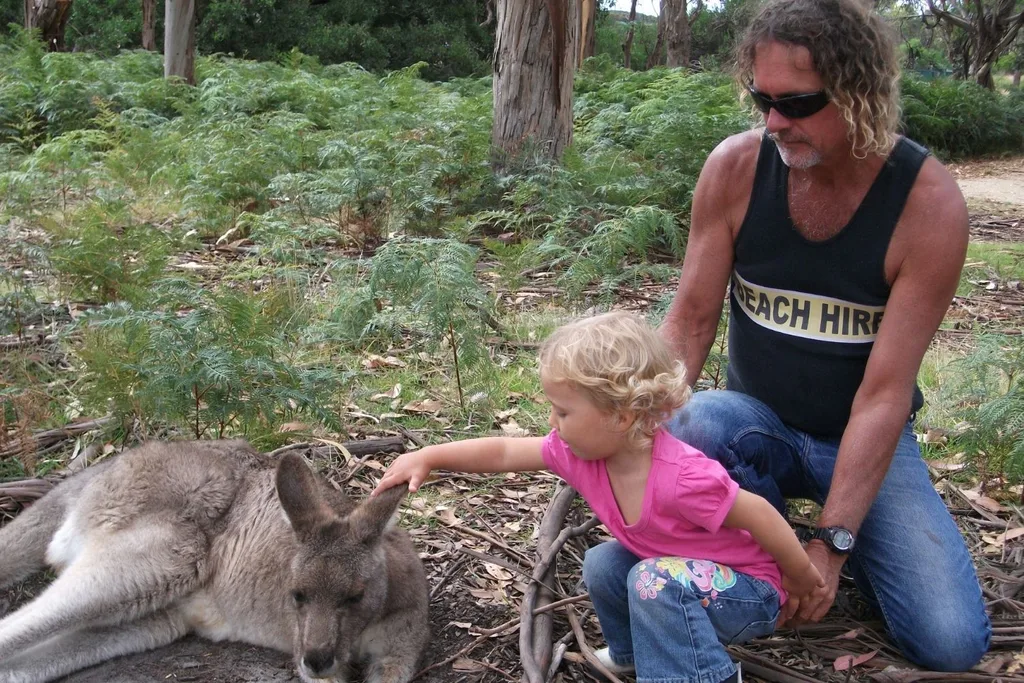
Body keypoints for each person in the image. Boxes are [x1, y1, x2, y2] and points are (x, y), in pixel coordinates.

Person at [658, 0, 991, 672]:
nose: (774, 121)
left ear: (858, 92)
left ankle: (844, 533)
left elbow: (883, 393)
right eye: (763, 99)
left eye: (799, 103)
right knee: (690, 421)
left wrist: (834, 543)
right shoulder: (735, 170)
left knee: (949, 640)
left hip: (861, 436)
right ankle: (764, 538)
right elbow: (690, 323)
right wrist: (633, 434)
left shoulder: (925, 205)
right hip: (756, 427)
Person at [374, 311, 826, 683]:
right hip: (679, 575)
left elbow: (759, 512)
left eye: (564, 411)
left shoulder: (681, 477)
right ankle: (637, 653)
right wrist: (430, 455)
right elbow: (506, 450)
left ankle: (698, 675)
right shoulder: (581, 454)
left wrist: (801, 577)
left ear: (621, 415)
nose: (553, 422)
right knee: (605, 562)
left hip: (748, 589)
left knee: (651, 580)